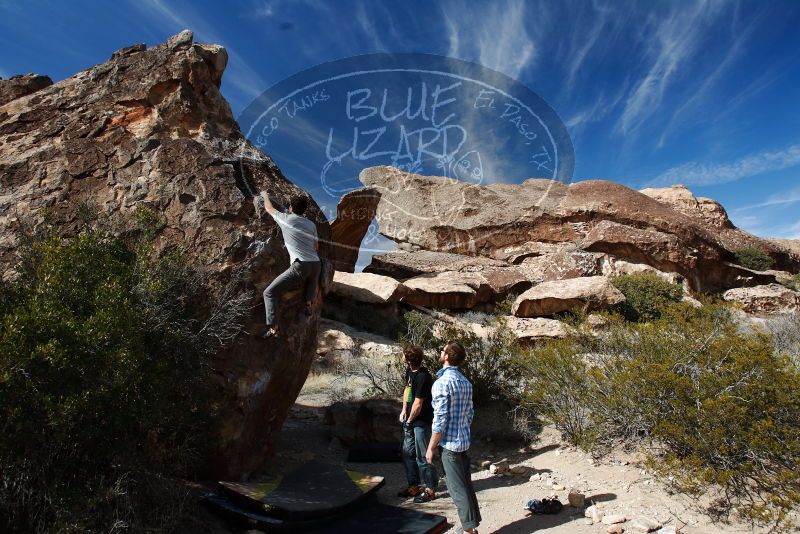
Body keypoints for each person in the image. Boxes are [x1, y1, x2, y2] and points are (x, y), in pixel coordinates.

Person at [426, 342, 481, 534]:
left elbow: (439, 419)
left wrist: (431, 447)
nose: (440, 353)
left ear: (447, 357)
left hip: (449, 444)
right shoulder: (466, 382)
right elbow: (469, 413)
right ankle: (472, 524)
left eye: (442, 351)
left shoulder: (441, 383)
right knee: (465, 484)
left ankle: (469, 530)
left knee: (457, 489)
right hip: (463, 441)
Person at [259, 191, 320, 338]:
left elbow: (269, 208)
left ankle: (273, 328)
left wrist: (265, 195)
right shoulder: (311, 224)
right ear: (304, 210)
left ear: (291, 207)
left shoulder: (286, 219)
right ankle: (307, 303)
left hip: (301, 265)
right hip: (316, 264)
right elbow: (316, 247)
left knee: (269, 293)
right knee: (311, 281)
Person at [397, 345, 439, 503]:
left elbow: (418, 404)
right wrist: (403, 410)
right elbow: (407, 391)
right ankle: (413, 486)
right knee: (408, 453)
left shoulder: (423, 377)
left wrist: (409, 420)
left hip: (421, 421)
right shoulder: (410, 371)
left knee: (423, 455)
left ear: (408, 358)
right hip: (409, 418)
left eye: (403, 355)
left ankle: (430, 488)